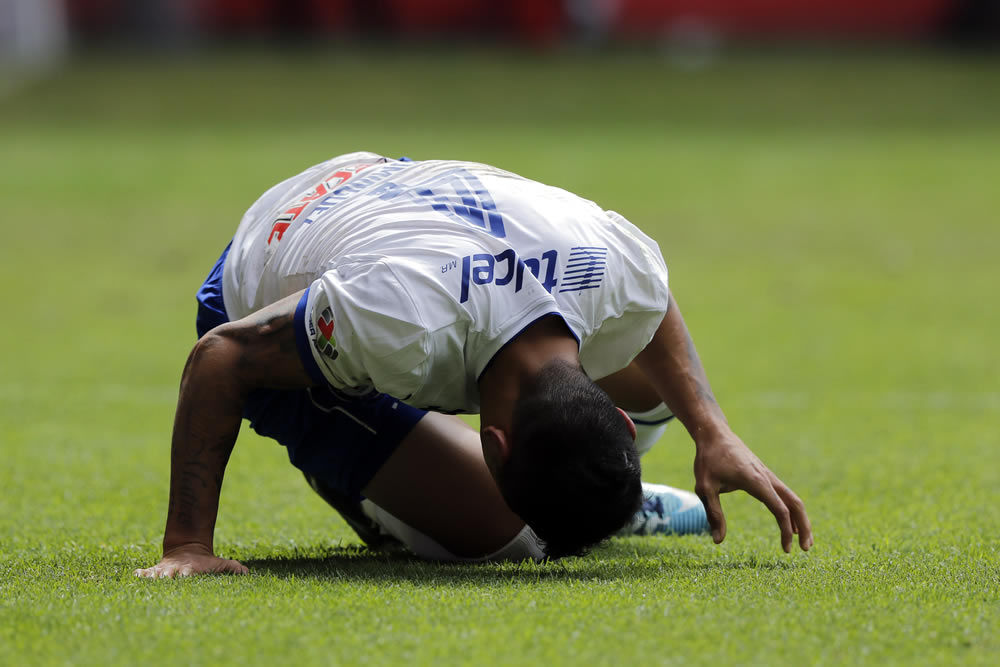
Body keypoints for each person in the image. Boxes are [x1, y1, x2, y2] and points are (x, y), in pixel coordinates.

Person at [135, 152, 812, 578]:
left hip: (386, 210)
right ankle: (358, 479)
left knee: (662, 395)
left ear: (614, 420)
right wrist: (187, 544)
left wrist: (711, 427)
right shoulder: (393, 321)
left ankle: (584, 494)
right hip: (272, 268)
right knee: (511, 540)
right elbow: (220, 355)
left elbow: (654, 300)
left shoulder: (613, 269)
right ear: (494, 442)